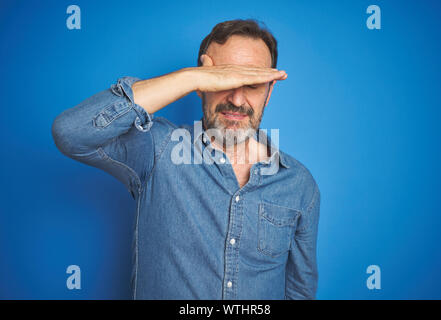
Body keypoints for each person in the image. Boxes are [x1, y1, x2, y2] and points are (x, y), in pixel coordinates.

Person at [52, 19, 321, 299]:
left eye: (253, 83)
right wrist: (189, 77)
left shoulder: (299, 184)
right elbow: (70, 133)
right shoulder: (158, 149)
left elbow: (299, 292)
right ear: (202, 82)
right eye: (224, 78)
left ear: (269, 92)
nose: (237, 99)